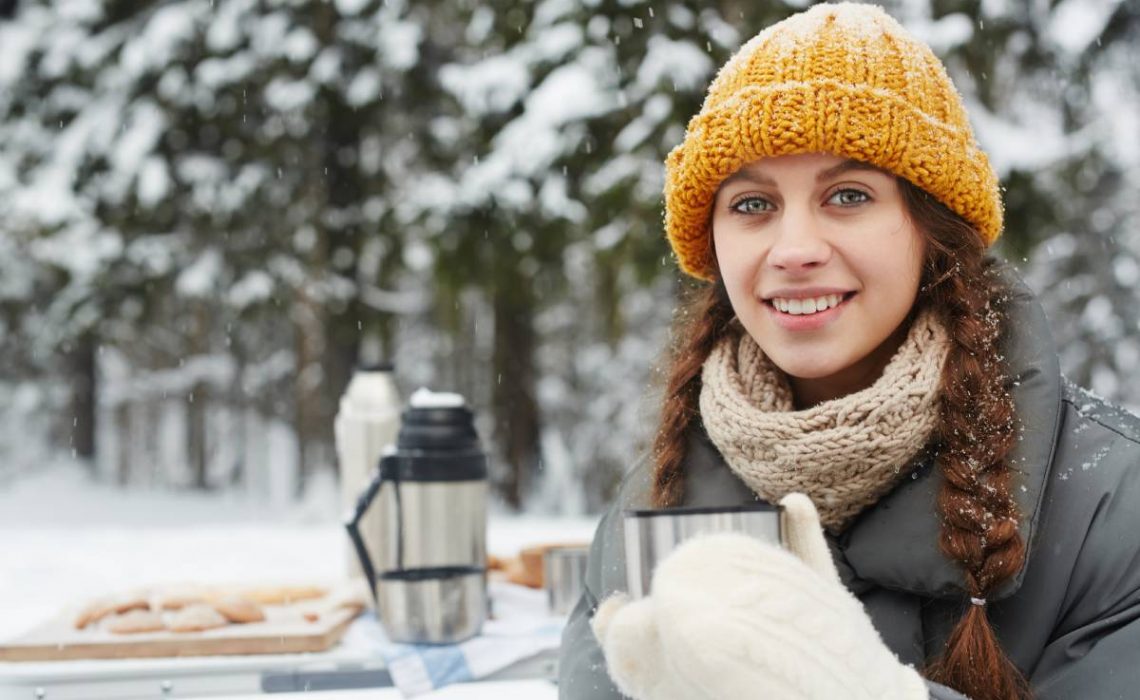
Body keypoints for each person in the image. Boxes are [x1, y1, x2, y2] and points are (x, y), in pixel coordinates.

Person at [557, 4, 1140, 700]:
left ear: (932, 232)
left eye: (848, 194)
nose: (796, 249)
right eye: (751, 205)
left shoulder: (1111, 505)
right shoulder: (651, 502)